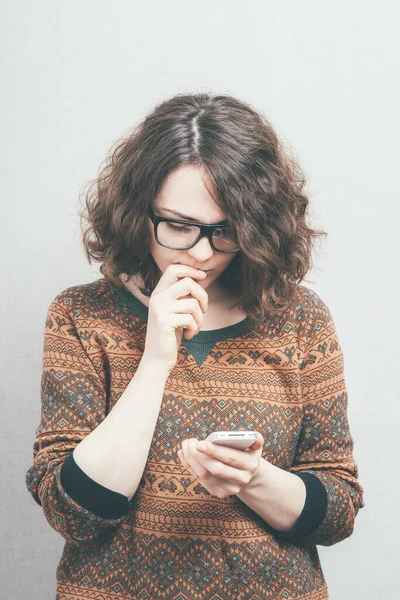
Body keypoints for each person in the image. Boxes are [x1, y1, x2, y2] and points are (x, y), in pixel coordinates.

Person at [26, 92, 364, 600]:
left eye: (225, 230)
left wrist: (252, 480)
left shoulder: (301, 319)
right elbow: (72, 512)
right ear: (138, 212)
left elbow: (337, 509)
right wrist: (156, 358)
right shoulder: (82, 316)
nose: (202, 252)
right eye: (179, 226)